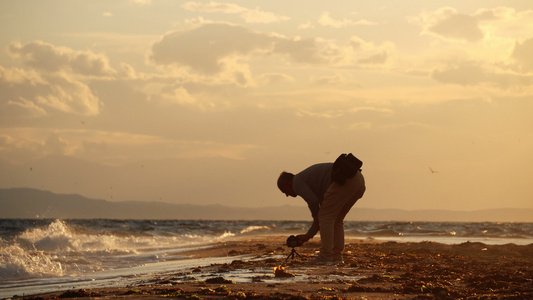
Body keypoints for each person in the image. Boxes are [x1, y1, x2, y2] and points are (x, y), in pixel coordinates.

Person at [277, 161, 365, 264]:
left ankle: (325, 257)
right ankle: (336, 257)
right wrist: (308, 235)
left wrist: (316, 218)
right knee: (336, 219)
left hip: (343, 179)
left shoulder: (296, 182)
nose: (287, 195)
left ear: (286, 183)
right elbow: (321, 217)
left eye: (284, 191)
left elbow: (313, 202)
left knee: (326, 217)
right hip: (358, 181)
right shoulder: (313, 183)